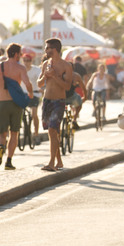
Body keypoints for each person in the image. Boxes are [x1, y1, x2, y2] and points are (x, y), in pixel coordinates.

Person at [37, 38, 73, 172]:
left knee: (53, 130)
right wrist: (45, 76)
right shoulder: (46, 63)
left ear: (55, 49)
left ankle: (51, 163)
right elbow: (39, 83)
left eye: (48, 48)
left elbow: (67, 86)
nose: (46, 51)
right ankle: (59, 160)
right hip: (47, 100)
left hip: (59, 101)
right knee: (52, 132)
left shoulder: (66, 66)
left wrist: (55, 76)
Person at [0, 43, 34, 170]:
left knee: (2, 133)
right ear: (15, 54)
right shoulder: (20, 68)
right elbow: (27, 83)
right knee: (14, 133)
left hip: (1, 102)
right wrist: (30, 94)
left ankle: (0, 148)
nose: (20, 56)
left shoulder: (0, 66)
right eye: (20, 54)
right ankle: (8, 161)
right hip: (15, 104)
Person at [21, 53, 43, 144]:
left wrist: (41, 88)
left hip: (34, 94)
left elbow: (40, 79)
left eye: (28, 60)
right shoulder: (20, 69)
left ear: (31, 61)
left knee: (34, 114)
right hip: (22, 94)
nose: (26, 63)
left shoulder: (36, 70)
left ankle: (36, 134)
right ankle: (19, 131)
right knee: (19, 113)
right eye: (25, 60)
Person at [66, 63, 87, 130]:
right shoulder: (75, 75)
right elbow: (83, 87)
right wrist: (85, 97)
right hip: (72, 96)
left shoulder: (60, 74)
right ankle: (74, 119)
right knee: (79, 104)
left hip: (61, 97)